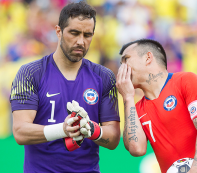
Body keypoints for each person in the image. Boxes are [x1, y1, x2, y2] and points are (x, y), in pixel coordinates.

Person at [10, 2, 120, 172]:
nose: (81, 41)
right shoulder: (30, 73)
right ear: (58, 31)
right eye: (74, 33)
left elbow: (113, 139)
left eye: (87, 35)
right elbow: (20, 131)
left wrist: (91, 129)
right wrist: (63, 129)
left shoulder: (104, 77)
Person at [116, 38, 197, 173]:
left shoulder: (186, 81)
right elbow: (137, 149)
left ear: (148, 58)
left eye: (126, 59)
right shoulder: (137, 108)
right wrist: (128, 97)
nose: (122, 68)